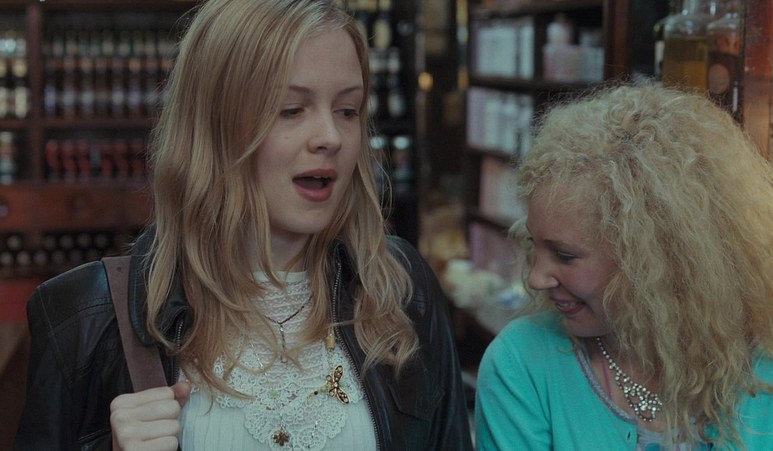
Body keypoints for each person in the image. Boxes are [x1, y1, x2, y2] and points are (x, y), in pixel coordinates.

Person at [15, 1, 472, 450]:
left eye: (347, 110)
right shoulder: (86, 317)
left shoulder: (399, 288)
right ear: (212, 126)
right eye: (291, 109)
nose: (331, 137)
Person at [475, 84, 773, 450]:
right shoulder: (523, 363)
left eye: (565, 255)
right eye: (534, 244)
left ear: (657, 259)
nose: (536, 278)